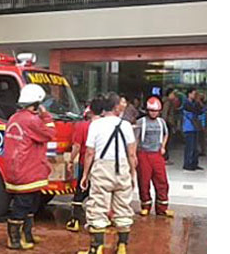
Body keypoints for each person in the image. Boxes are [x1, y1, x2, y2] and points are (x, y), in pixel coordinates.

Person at [77, 92, 137, 254]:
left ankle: (97, 248)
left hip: (102, 168)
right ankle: (122, 246)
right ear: (117, 107)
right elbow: (132, 154)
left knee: (97, 207)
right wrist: (132, 173)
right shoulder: (126, 125)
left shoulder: (95, 125)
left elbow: (90, 153)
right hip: (122, 167)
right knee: (123, 207)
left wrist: (85, 175)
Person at [3, 84, 57, 250]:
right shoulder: (32, 120)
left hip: (18, 169)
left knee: (30, 206)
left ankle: (26, 235)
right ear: (36, 103)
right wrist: (46, 116)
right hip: (28, 171)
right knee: (23, 206)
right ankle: (14, 240)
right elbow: (50, 134)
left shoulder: (14, 118)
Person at [66, 95, 104, 232]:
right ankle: (99, 221)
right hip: (103, 165)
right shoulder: (108, 126)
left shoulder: (82, 126)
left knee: (81, 190)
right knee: (99, 193)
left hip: (85, 163)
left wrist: (70, 161)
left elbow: (77, 146)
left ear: (90, 110)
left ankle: (75, 220)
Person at [135, 97, 174, 217]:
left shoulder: (161, 122)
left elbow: (166, 134)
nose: (153, 113)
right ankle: (145, 205)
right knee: (144, 180)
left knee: (162, 181)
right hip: (143, 154)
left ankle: (162, 207)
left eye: (156, 111)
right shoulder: (141, 122)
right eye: (151, 111)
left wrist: (163, 146)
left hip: (157, 154)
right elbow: (135, 138)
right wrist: (134, 155)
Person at [182, 88, 204, 171]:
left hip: (195, 127)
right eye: (194, 94)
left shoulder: (194, 103)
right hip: (188, 128)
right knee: (189, 147)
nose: (195, 96)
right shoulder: (186, 103)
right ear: (189, 94)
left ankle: (194, 163)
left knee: (195, 147)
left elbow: (201, 110)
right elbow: (196, 111)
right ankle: (187, 164)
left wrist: (199, 102)